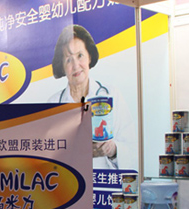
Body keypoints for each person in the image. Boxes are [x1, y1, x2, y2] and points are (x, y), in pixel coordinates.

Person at [48, 24, 136, 170]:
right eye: (68, 60)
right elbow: (48, 154)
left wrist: (113, 150)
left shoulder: (111, 95)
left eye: (80, 56)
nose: (76, 66)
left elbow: (132, 148)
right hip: (69, 181)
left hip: (103, 181)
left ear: (89, 56)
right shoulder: (53, 103)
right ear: (62, 66)